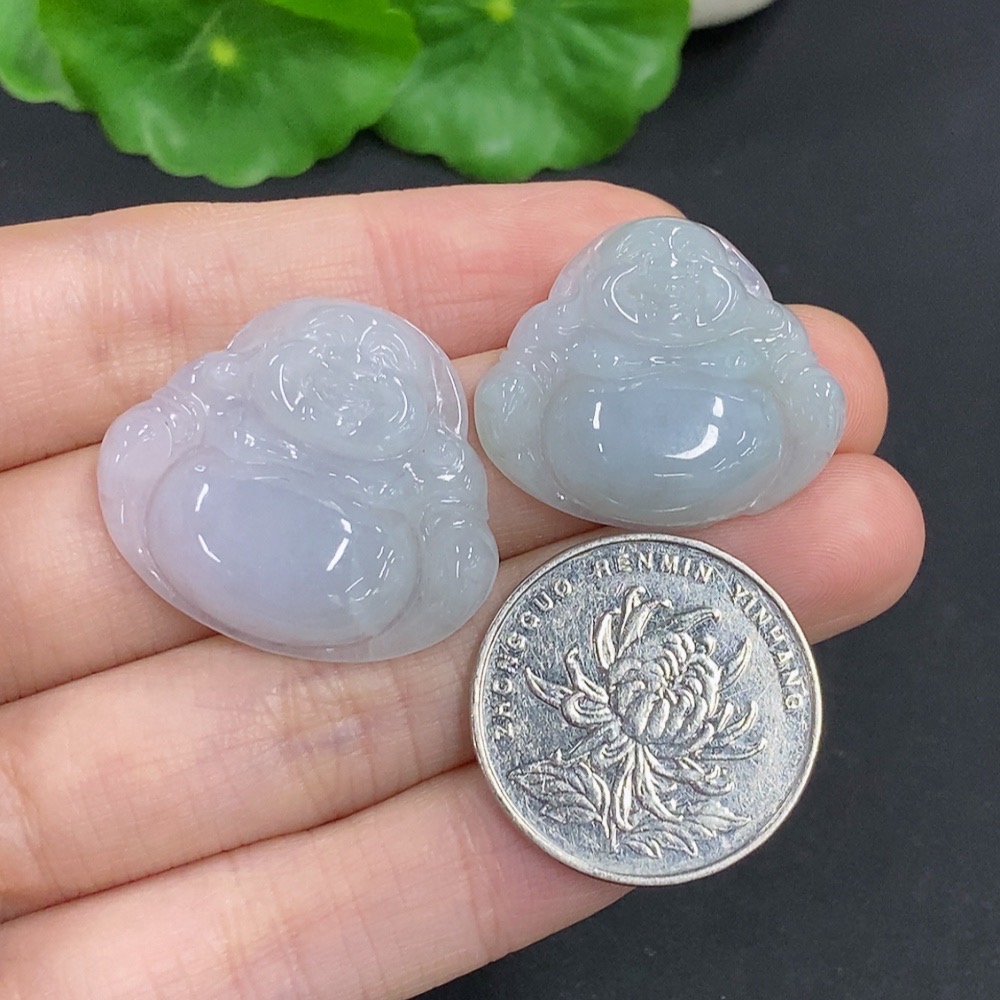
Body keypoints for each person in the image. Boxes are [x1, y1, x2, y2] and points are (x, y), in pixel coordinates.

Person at [0, 182, 923, 997]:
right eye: (316, 377)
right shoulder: (223, 420)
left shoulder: (717, 366)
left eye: (374, 392)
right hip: (236, 509)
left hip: (383, 547)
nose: (345, 399)